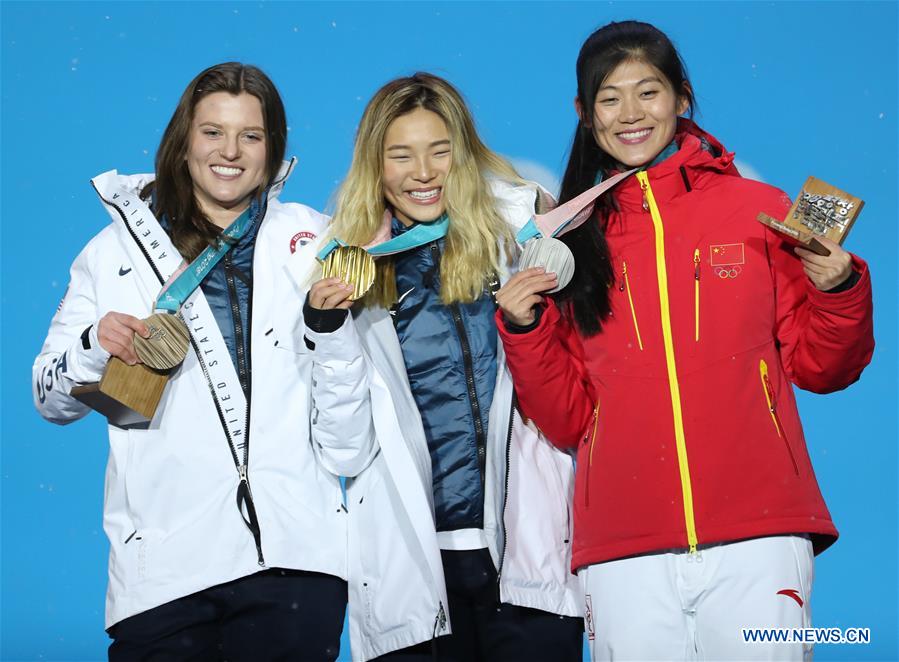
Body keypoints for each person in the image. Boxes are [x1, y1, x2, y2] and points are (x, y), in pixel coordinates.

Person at [494, 21, 875, 662]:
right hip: (623, 546)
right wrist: (527, 331)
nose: (631, 114)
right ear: (585, 114)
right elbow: (565, 420)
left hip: (761, 531)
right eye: (610, 98)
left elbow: (822, 367)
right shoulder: (568, 239)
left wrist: (837, 287)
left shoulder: (756, 208)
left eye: (649, 92)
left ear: (682, 97)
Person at [32, 62, 375, 661]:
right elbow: (47, 395)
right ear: (183, 140)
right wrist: (92, 344)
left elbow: (348, 405)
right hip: (163, 574)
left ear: (274, 148)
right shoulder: (113, 253)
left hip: (296, 565)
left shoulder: (314, 239)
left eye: (251, 135)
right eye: (213, 131)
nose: (230, 151)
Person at [312, 73, 584, 661]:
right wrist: (330, 334)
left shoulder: (521, 238)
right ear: (374, 164)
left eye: (440, 151)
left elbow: (572, 394)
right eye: (401, 155)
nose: (423, 172)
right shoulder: (343, 270)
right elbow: (343, 448)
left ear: (464, 154)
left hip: (527, 555)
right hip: (410, 561)